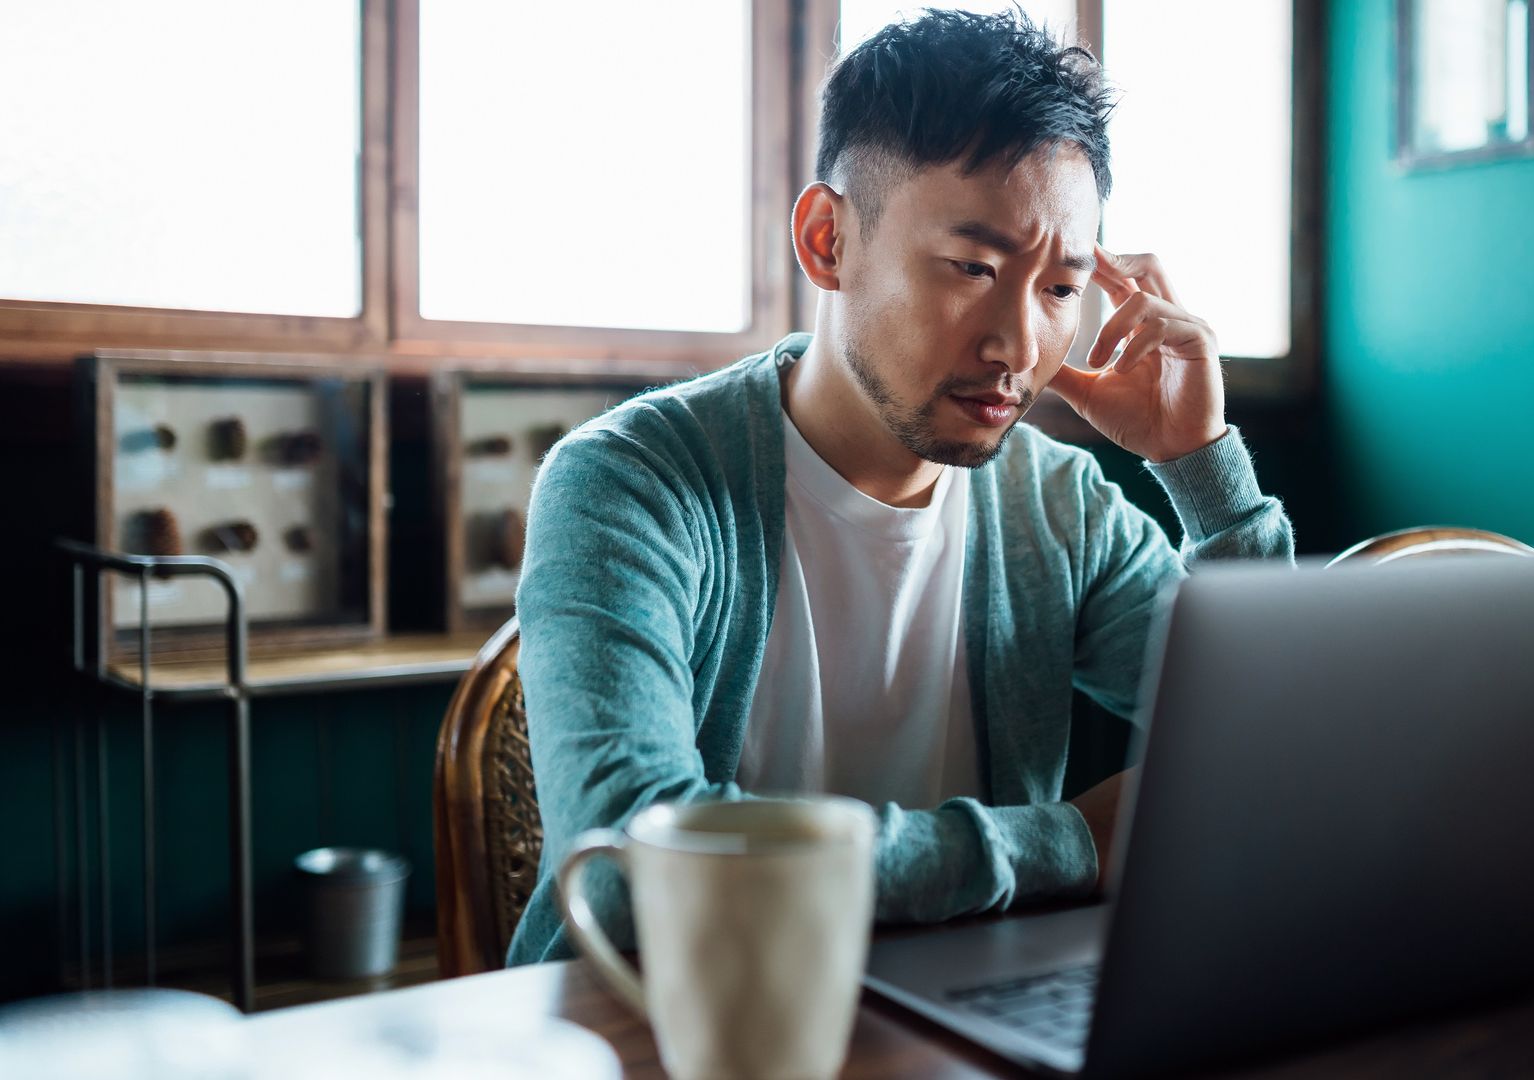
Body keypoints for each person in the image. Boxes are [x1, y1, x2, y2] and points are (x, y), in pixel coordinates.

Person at [506, 8, 1294, 965]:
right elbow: (635, 871)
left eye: (1058, 290)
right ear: (828, 239)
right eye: (972, 266)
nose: (1016, 347)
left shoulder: (1061, 506)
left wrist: (1200, 466)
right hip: (662, 1027)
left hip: (963, 1024)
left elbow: (1279, 751)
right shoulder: (629, 483)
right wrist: (1072, 841)